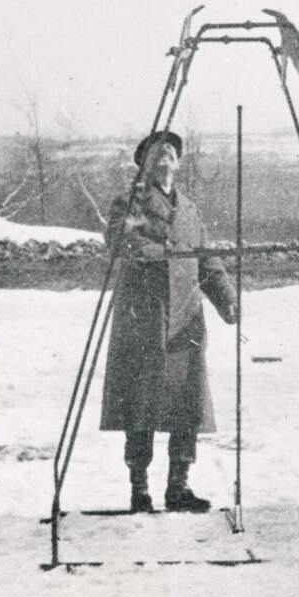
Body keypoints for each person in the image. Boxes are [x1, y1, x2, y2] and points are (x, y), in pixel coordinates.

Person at [100, 130, 237, 513]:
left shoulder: (190, 209)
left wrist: (227, 300)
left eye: (173, 152)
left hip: (186, 322)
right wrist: (170, 254)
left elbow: (206, 259)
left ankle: (178, 487)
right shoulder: (131, 202)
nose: (167, 156)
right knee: (139, 405)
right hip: (144, 317)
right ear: (143, 161)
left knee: (186, 405)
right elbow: (121, 243)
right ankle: (139, 489)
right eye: (158, 151)